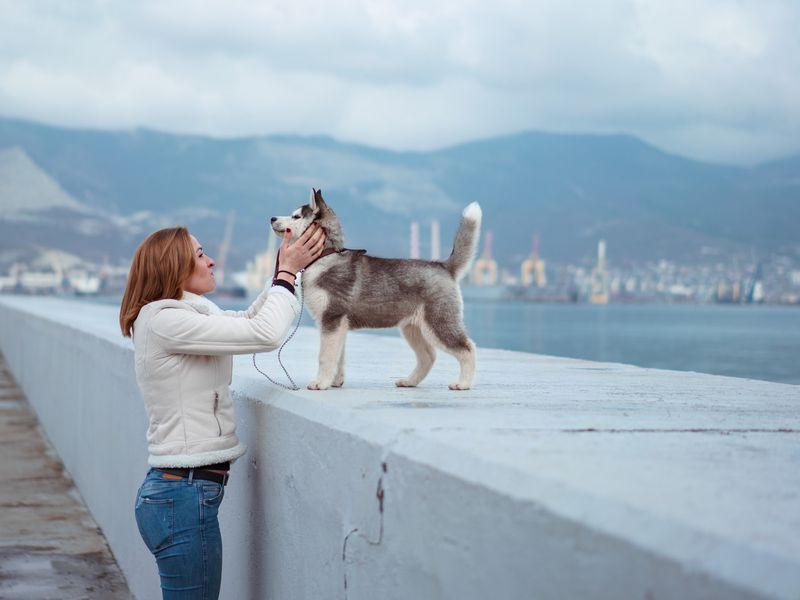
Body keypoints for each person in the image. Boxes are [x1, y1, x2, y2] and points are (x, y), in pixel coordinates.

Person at [119, 222, 325, 599]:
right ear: (174, 266)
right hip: (181, 495)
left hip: (183, 493)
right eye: (200, 255)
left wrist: (282, 270)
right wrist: (285, 274)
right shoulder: (165, 320)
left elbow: (248, 320)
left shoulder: (180, 317)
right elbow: (264, 334)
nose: (212, 261)